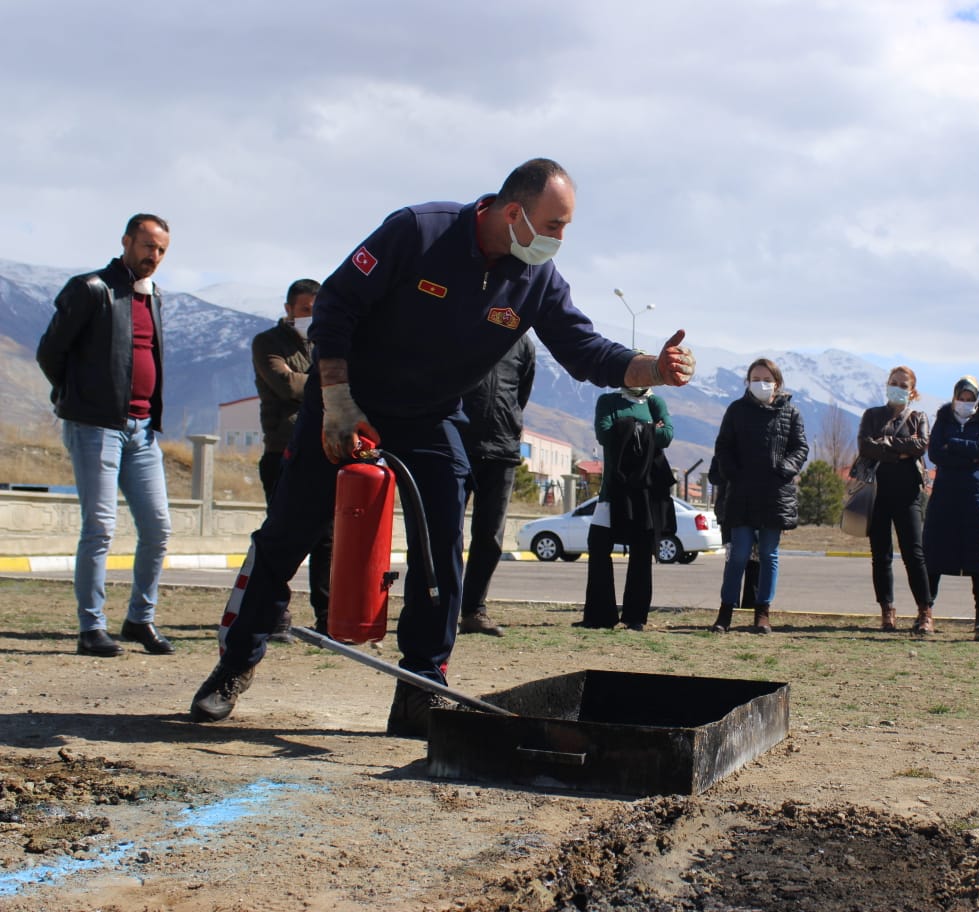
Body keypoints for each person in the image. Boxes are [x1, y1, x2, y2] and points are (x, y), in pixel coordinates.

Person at [189, 159, 697, 735]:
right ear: (514, 213)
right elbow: (335, 306)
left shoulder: (538, 281)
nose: (560, 239)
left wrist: (652, 367)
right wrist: (336, 400)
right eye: (554, 224)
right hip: (345, 402)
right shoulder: (419, 231)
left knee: (441, 550)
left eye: (565, 227)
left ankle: (422, 685)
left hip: (431, 419)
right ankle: (233, 667)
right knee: (286, 537)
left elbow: (583, 350)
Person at [35, 214, 175, 659]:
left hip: (143, 432)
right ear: (127, 242)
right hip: (95, 427)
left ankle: (139, 619)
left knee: (158, 528)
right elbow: (50, 352)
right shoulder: (92, 289)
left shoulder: (154, 297)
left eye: (161, 251)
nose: (153, 257)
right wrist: (79, 398)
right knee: (100, 528)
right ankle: (91, 627)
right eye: (147, 246)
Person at [252, 278, 332, 642]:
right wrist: (327, 382)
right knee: (280, 537)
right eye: (305, 310)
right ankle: (272, 616)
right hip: (282, 451)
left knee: (328, 539)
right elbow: (284, 384)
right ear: (289, 310)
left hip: (324, 448)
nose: (310, 316)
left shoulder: (327, 341)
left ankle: (328, 618)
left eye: (316, 309)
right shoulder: (268, 342)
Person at [709, 358, 808, 634]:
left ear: (777, 382)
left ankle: (762, 613)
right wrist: (732, 473)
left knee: (768, 554)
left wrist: (784, 469)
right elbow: (723, 446)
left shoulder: (791, 413)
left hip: (775, 495)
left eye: (766, 378)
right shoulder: (736, 410)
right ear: (747, 382)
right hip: (741, 494)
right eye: (755, 378)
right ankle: (725, 612)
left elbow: (800, 448)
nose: (760, 383)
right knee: (738, 554)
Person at [457, 335, 536, 637]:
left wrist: (510, 425)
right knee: (446, 532)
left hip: (502, 449)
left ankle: (474, 610)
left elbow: (521, 394)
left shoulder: (524, 344)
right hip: (458, 444)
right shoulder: (465, 324)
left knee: (490, 537)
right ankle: (438, 607)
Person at [580, 385, 675, 630]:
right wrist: (649, 429)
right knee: (598, 545)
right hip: (613, 488)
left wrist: (627, 426)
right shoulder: (608, 400)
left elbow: (668, 436)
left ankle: (635, 617)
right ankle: (600, 616)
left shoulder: (655, 402)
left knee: (642, 553)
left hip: (645, 492)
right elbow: (605, 435)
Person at [855, 366, 932, 633]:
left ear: (913, 390)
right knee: (881, 556)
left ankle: (925, 612)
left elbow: (920, 445)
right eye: (893, 382)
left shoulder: (919, 417)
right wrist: (900, 450)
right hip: (877, 493)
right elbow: (865, 445)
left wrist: (885, 443)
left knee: (915, 554)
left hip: (909, 493)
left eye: (903, 384)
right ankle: (887, 611)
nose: (898, 387)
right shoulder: (872, 415)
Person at [924, 376, 979, 637]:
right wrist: (968, 454)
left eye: (970, 399)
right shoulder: (943, 419)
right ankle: (926, 613)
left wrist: (952, 445)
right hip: (945, 496)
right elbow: (935, 454)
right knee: (935, 554)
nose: (965, 403)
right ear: (954, 398)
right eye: (961, 398)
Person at [706, 455, 759, 630]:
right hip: (730, 511)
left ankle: (751, 608)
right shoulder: (725, 448)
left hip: (757, 511)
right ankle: (730, 605)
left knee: (755, 562)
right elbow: (713, 476)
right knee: (733, 561)